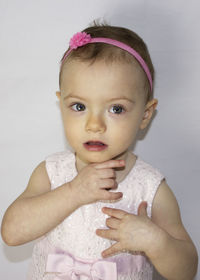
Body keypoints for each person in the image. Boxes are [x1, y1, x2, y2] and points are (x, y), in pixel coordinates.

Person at [1, 22, 198, 280]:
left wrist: (156, 242)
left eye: (116, 109)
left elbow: (186, 271)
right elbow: (12, 233)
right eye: (79, 106)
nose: (94, 125)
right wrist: (73, 192)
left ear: (145, 114)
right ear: (61, 105)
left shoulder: (150, 189)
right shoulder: (52, 173)